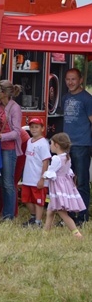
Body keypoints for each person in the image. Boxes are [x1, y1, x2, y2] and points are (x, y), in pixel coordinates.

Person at [62, 68, 92, 225]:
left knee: (81, 182)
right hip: (67, 146)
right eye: (68, 79)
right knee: (67, 181)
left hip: (82, 145)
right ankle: (69, 215)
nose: (70, 82)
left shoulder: (87, 99)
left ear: (80, 80)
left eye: (73, 79)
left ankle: (82, 216)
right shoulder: (65, 98)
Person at [42, 132, 85, 238]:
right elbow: (67, 171)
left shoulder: (56, 159)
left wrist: (45, 175)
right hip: (64, 186)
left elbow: (52, 172)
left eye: (51, 143)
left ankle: (76, 233)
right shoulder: (67, 157)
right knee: (50, 211)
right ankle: (45, 233)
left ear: (56, 145)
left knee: (62, 213)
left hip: (58, 188)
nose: (50, 146)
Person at [0, 80, 24, 221]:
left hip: (9, 149)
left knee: (7, 182)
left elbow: (17, 132)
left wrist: (1, 136)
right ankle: (2, 211)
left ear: (4, 93)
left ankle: (9, 215)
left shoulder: (14, 108)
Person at [19, 117, 51, 228]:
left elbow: (45, 161)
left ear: (42, 128)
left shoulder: (43, 143)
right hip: (28, 177)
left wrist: (43, 178)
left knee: (38, 201)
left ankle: (38, 221)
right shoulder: (29, 141)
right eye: (32, 127)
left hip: (38, 177)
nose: (34, 129)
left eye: (37, 127)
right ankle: (33, 217)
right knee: (26, 199)